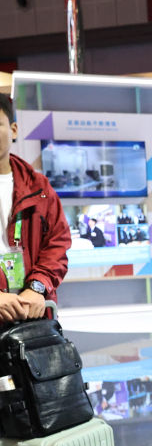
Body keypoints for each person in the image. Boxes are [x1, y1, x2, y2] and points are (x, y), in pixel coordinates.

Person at [0, 95, 71, 322]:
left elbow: (57, 244)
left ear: (13, 130)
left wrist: (37, 287)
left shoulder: (39, 187)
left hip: (33, 313)